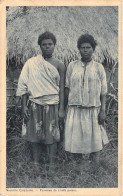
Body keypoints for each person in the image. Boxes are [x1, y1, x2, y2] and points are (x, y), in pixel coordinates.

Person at [16, 31, 65, 168]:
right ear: (40, 46)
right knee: (35, 136)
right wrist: (25, 106)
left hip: (52, 104)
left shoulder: (59, 65)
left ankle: (52, 165)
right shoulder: (31, 63)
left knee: (52, 136)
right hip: (34, 104)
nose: (47, 47)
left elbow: (61, 88)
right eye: (44, 44)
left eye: (50, 44)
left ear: (54, 45)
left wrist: (61, 109)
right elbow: (24, 85)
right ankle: (36, 164)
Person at [65, 34, 109, 170]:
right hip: (75, 110)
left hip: (93, 110)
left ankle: (94, 168)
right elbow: (67, 87)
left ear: (93, 49)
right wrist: (67, 107)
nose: (85, 50)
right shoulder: (72, 66)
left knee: (95, 141)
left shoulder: (99, 67)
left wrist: (102, 111)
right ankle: (75, 168)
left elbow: (103, 92)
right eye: (82, 48)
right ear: (78, 49)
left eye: (88, 47)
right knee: (74, 140)